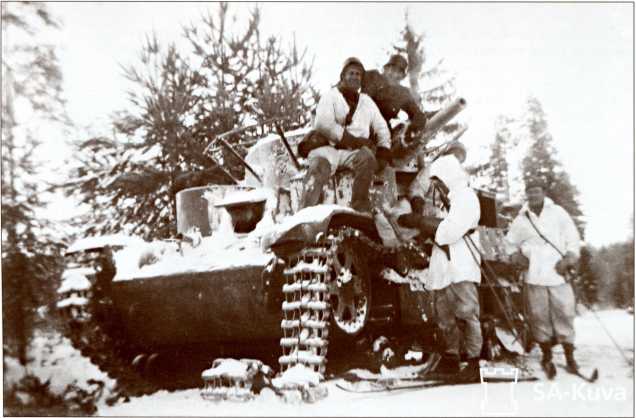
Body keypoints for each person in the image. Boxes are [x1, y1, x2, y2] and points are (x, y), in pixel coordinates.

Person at [397, 154, 482, 382]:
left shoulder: (466, 198)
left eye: (439, 181)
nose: (437, 186)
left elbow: (449, 231)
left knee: (466, 313)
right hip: (443, 265)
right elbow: (437, 230)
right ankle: (451, 357)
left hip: (461, 263)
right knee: (444, 315)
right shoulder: (447, 200)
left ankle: (474, 361)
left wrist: (419, 222)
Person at [505, 179, 581, 379]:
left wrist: (569, 258)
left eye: (537, 191)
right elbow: (509, 244)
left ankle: (570, 357)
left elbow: (573, 238)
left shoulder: (558, 213)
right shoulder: (521, 219)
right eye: (530, 192)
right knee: (538, 316)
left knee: (565, 313)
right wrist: (517, 257)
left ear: (544, 192)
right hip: (535, 275)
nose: (533, 195)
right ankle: (546, 356)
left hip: (558, 273)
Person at [297, 57, 392, 212]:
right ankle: (305, 213)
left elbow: (381, 127)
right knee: (319, 166)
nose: (355, 77)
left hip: (352, 153)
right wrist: (354, 141)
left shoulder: (366, 102)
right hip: (329, 149)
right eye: (351, 73)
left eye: (358, 74)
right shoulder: (330, 96)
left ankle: (360, 206)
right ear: (342, 76)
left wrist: (383, 150)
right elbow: (323, 123)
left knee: (367, 158)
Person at [362, 54, 428, 142]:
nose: (394, 75)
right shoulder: (372, 76)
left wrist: (412, 128)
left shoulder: (402, 93)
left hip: (379, 133)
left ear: (402, 76)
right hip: (358, 120)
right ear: (385, 69)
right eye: (392, 69)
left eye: (399, 72)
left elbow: (418, 115)